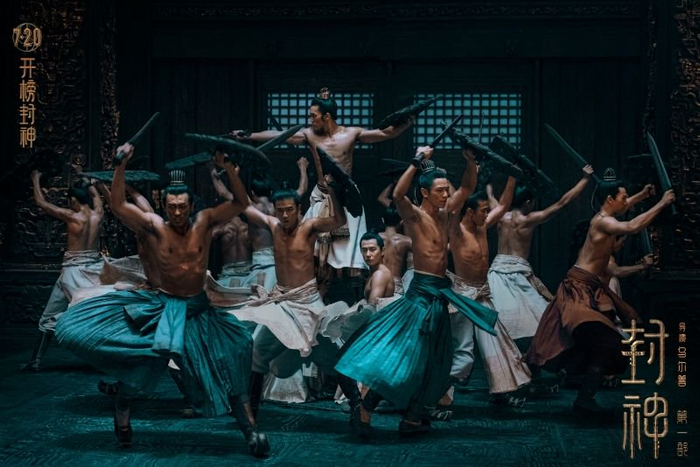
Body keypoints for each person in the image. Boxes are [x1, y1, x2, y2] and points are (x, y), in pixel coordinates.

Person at [55, 145, 270, 457]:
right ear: (165, 206)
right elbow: (118, 204)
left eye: (182, 207)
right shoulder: (154, 226)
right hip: (162, 307)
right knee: (140, 366)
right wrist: (120, 167)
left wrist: (228, 169)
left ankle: (251, 432)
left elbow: (240, 203)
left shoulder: (205, 222)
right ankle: (122, 408)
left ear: (191, 205)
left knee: (232, 354)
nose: (177, 213)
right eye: (171, 207)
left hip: (198, 311)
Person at [335, 147, 498, 438]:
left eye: (446, 190)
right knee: (405, 359)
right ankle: (366, 408)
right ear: (424, 193)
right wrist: (416, 161)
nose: (446, 195)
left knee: (435, 363)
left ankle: (412, 418)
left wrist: (470, 161)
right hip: (420, 296)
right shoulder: (415, 217)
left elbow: (467, 188)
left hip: (438, 294)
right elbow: (399, 195)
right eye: (440, 191)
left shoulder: (446, 215)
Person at [232, 88, 414, 299]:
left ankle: (359, 298)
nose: (310, 120)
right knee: (317, 250)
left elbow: (385, 133)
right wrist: (249, 135)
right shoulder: (309, 135)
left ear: (326, 116)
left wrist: (406, 123)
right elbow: (280, 136)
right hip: (322, 194)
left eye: (313, 116)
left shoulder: (351, 134)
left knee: (350, 255)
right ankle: (315, 294)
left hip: (346, 197)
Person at [224, 164, 363, 428]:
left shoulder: (309, 228)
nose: (285, 215)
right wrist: (232, 172)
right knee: (256, 355)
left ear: (299, 209)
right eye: (281, 210)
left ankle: (358, 408)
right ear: (275, 211)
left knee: (332, 359)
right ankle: (251, 416)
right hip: (282, 305)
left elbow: (338, 221)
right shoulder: (273, 226)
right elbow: (243, 205)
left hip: (309, 304)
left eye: (290, 210)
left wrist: (333, 191)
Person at [524, 179, 675, 417]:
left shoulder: (607, 216)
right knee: (601, 341)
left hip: (590, 288)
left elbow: (625, 208)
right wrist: (662, 203)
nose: (626, 201)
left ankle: (584, 398)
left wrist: (643, 195)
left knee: (605, 346)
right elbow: (633, 226)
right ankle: (575, 392)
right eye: (623, 197)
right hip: (578, 289)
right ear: (610, 200)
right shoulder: (604, 221)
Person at [487, 166, 593, 352]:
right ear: (528, 202)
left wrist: (487, 179)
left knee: (504, 314)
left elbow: (490, 196)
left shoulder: (500, 215)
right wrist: (585, 179)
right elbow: (562, 203)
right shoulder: (529, 219)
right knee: (542, 316)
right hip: (515, 273)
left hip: (497, 272)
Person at [446, 179, 532, 407]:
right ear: (470, 212)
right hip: (464, 296)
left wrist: (512, 177)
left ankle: (501, 393)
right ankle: (434, 396)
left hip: (483, 294)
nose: (487, 215)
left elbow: (503, 206)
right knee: (464, 355)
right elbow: (455, 205)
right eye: (483, 211)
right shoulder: (457, 231)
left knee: (497, 344)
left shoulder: (482, 227)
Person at [21, 170, 104, 371]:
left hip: (73, 273)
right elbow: (96, 196)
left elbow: (41, 203)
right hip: (92, 271)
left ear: (73, 200)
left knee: (70, 318)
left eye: (69, 200)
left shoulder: (72, 216)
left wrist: (35, 179)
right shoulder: (98, 214)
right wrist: (87, 179)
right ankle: (35, 362)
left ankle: (37, 361)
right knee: (84, 316)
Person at [379, 206, 412, 294]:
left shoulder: (374, 239)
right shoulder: (405, 241)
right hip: (395, 284)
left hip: (377, 281)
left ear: (382, 220)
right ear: (401, 222)